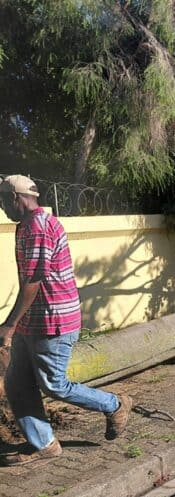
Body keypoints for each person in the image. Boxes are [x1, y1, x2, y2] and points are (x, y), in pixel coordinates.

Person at [0, 175, 132, 466]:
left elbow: (33, 280)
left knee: (54, 385)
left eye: (2, 200)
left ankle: (115, 404)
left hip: (52, 321)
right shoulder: (26, 226)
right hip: (32, 320)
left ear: (14, 198)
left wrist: (8, 325)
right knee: (17, 383)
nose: (2, 207)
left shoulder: (37, 226)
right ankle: (44, 444)